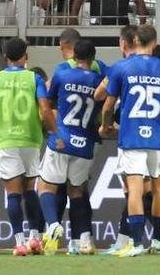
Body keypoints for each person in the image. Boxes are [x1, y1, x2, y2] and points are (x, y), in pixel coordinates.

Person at [100, 24, 160, 257]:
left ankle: (136, 243)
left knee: (135, 189)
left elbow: (108, 105)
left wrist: (106, 125)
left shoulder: (121, 67)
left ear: (135, 40)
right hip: (158, 137)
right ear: (155, 43)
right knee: (159, 190)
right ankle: (157, 241)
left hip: (132, 137)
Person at [0, 36, 55, 256]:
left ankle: (19, 243)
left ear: (5, 57)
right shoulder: (35, 79)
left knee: (13, 194)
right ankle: (34, 238)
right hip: (30, 139)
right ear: (26, 57)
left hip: (6, 140)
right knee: (30, 190)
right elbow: (44, 110)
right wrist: (54, 131)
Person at [38, 38, 106, 255]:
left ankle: (53, 226)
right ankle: (79, 241)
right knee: (77, 191)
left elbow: (49, 102)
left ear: (74, 56)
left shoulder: (62, 74)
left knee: (46, 187)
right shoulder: (98, 80)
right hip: (85, 143)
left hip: (62, 138)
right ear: (93, 58)